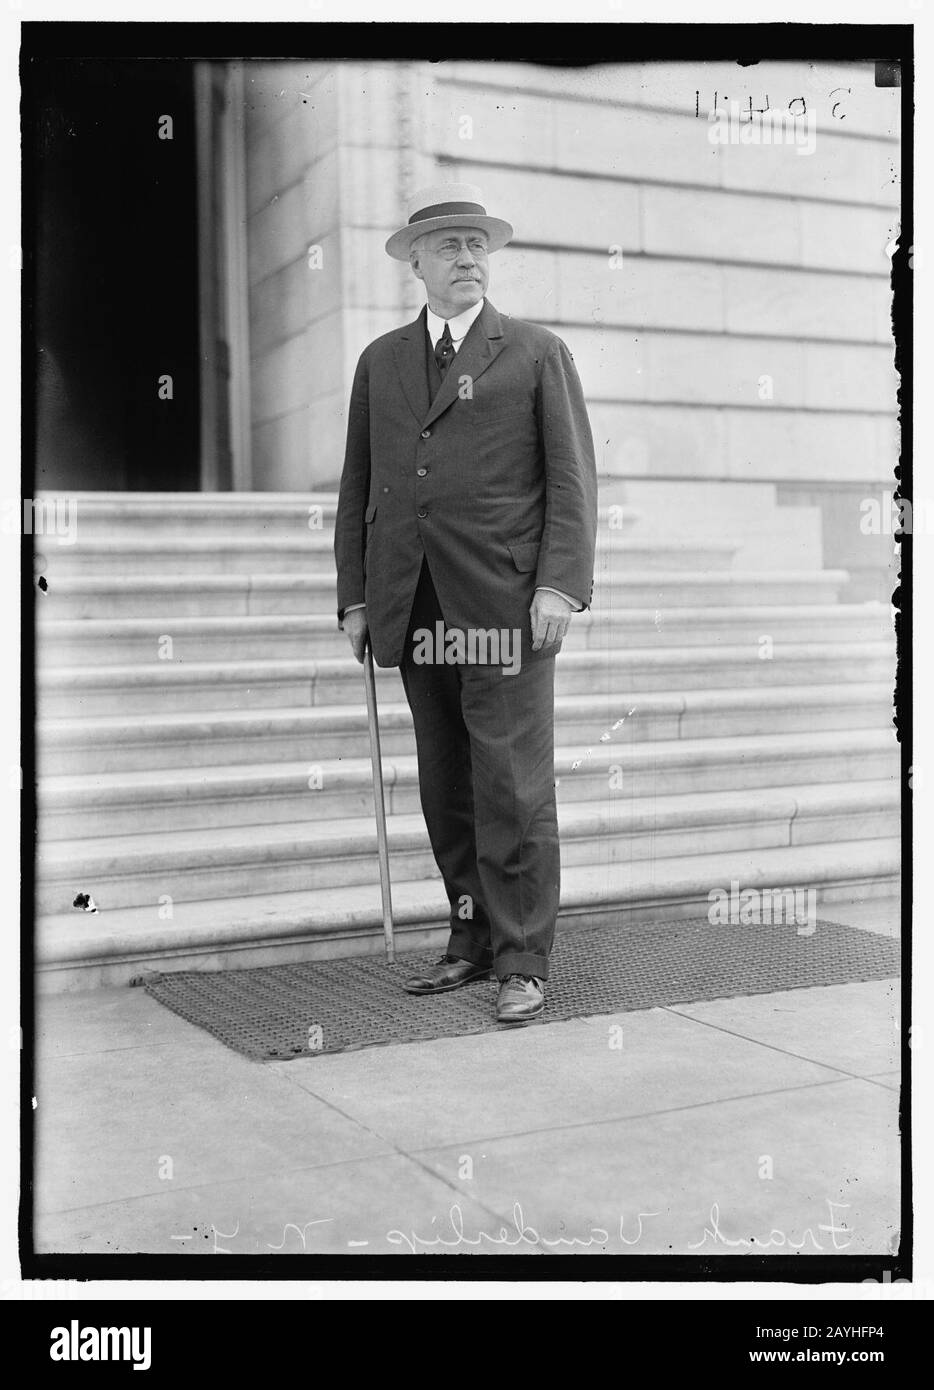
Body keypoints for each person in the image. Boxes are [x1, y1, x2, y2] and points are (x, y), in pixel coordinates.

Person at [334, 183, 598, 1024]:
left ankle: (524, 957)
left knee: (513, 783)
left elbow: (571, 481)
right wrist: (354, 598)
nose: (468, 260)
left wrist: (559, 584)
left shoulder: (533, 353)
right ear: (415, 263)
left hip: (505, 609)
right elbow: (358, 486)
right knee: (446, 780)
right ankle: (470, 937)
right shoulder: (380, 362)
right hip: (413, 607)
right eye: (449, 247)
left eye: (478, 245)